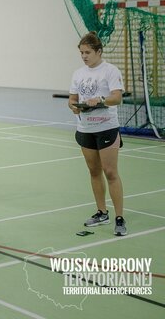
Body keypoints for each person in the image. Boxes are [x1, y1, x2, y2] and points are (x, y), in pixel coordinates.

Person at [68, 31, 127, 236]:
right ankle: (102, 212)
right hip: (85, 129)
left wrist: (100, 100)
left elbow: (117, 98)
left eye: (88, 52)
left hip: (106, 128)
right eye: (82, 53)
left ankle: (119, 218)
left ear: (98, 51)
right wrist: (74, 107)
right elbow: (72, 99)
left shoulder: (110, 71)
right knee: (94, 172)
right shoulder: (78, 74)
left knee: (110, 172)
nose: (84, 56)